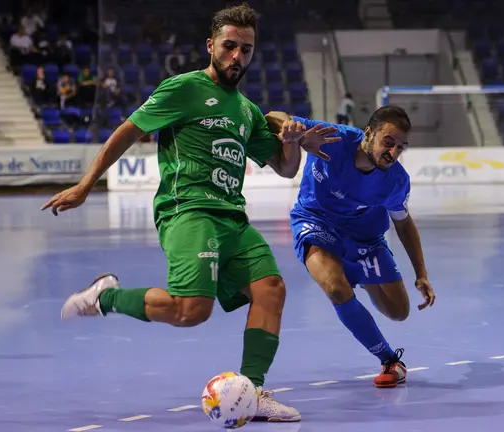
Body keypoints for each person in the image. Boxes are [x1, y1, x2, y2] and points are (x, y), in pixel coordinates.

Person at [41, 4, 334, 423]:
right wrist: (87, 184)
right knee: (190, 311)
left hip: (232, 217)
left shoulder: (248, 112)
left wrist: (292, 142)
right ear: (211, 45)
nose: (237, 56)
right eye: (230, 46)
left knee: (270, 288)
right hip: (188, 211)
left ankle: (251, 392)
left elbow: (286, 169)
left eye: (246, 50)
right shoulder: (183, 88)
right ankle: (103, 297)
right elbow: (128, 131)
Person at [266, 106, 435, 389]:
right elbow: (273, 115)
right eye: (388, 142)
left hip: (365, 239)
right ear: (368, 134)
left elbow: (404, 224)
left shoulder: (396, 181)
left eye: (400, 148)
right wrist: (293, 132)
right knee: (336, 287)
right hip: (316, 221)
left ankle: (358, 274)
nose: (393, 153)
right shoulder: (333, 137)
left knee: (398, 311)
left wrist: (421, 273)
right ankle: (389, 359)